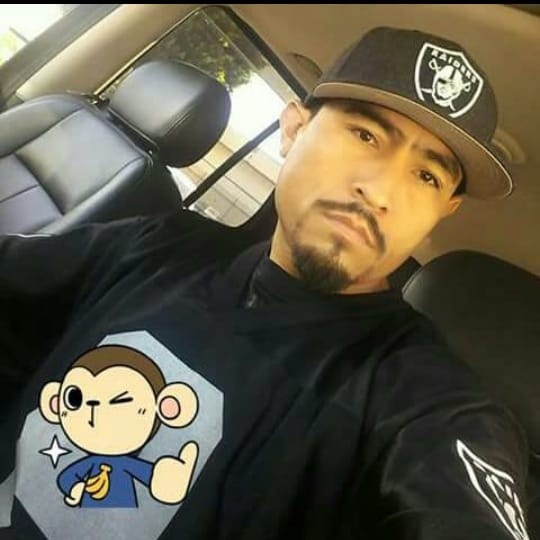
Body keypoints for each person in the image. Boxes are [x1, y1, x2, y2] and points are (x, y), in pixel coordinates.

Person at [0, 26, 531, 540]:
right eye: (365, 135)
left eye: (427, 176)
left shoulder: (421, 400)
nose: (380, 192)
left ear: (444, 210)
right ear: (293, 129)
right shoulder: (161, 245)